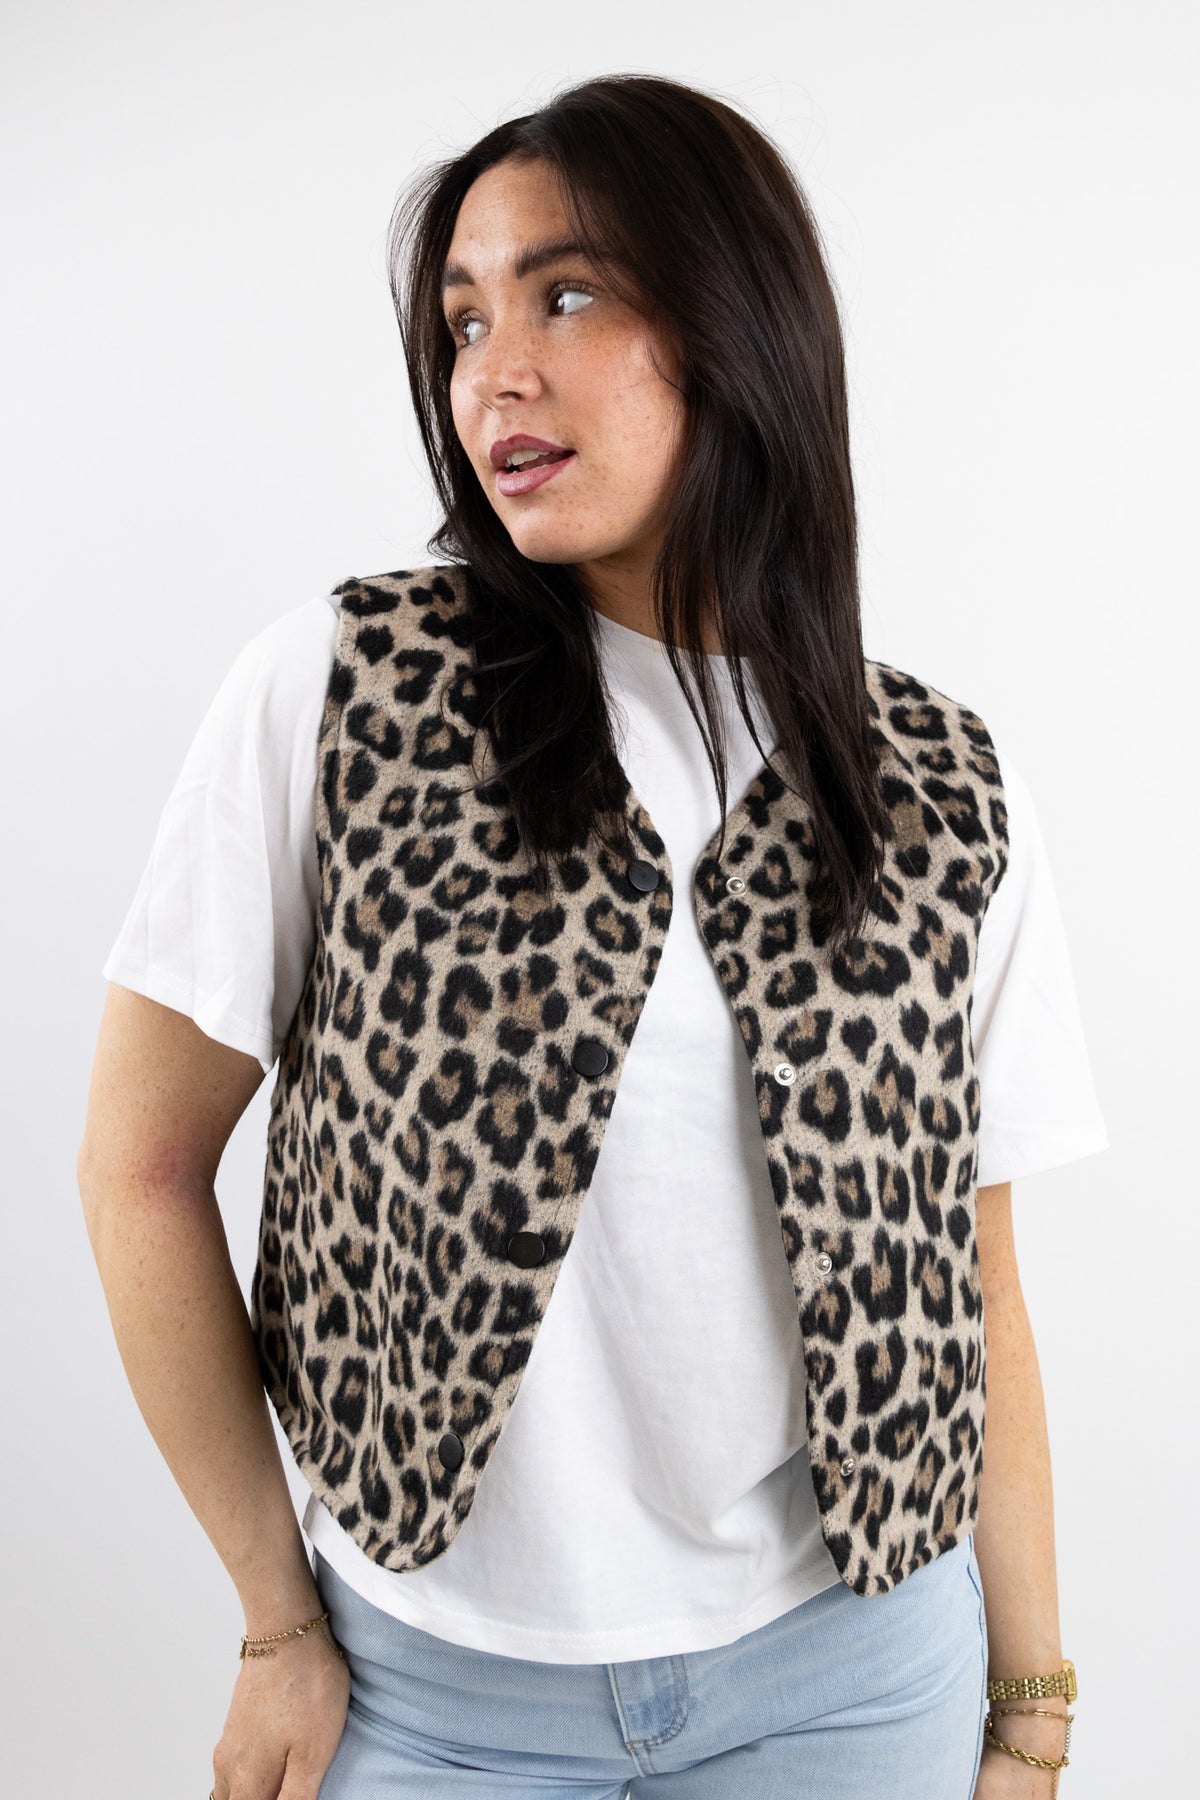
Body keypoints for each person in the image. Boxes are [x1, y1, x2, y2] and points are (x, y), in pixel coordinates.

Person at [78, 73, 1107, 1800]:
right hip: (427, 1696)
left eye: (567, 295)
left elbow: (977, 1284)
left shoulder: (933, 780)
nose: (496, 371)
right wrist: (274, 1618)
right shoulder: (346, 694)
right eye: (465, 319)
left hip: (855, 1679)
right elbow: (141, 1168)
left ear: (736, 320)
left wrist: (1032, 1704)